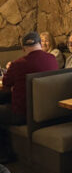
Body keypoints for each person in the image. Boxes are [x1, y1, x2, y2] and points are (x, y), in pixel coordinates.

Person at [0, 32, 58, 162]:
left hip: (23, 114)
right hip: (49, 112)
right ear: (41, 44)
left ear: (23, 48)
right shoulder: (52, 59)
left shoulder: (17, 64)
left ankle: (4, 154)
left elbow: (6, 85)